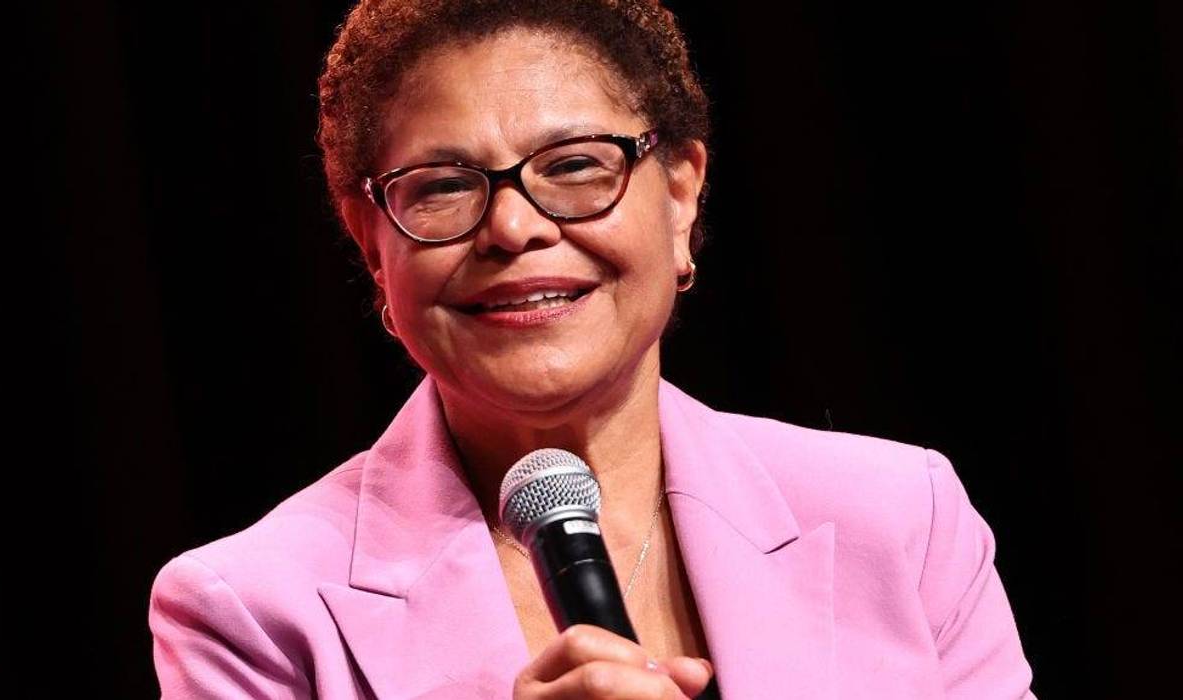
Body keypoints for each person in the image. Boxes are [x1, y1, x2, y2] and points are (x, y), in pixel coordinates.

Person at [148, 1, 1035, 697]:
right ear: (371, 244)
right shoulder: (253, 610)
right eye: (444, 186)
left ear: (681, 195)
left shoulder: (900, 520)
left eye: (574, 164)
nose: (513, 227)